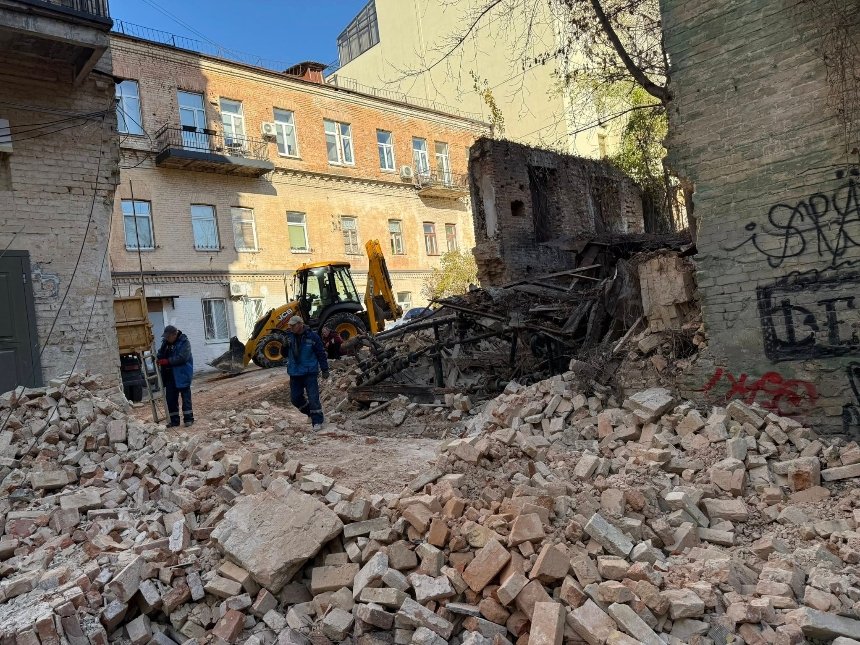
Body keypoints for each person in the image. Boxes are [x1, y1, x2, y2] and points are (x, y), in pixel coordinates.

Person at [285, 315, 329, 430]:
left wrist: (325, 369)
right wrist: (284, 346)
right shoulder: (289, 337)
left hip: (309, 372)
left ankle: (317, 421)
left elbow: (321, 353)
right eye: (290, 325)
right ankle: (310, 412)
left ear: (300, 324)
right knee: (295, 399)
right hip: (295, 372)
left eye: (293, 325)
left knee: (313, 397)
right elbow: (284, 354)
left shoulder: (312, 337)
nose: (291, 327)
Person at [156, 325, 194, 428]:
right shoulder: (166, 343)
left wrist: (167, 361)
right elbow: (160, 353)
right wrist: (158, 358)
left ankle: (188, 419)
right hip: (169, 375)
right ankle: (174, 421)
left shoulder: (184, 342)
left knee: (186, 397)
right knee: (171, 399)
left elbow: (183, 357)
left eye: (168, 337)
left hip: (182, 374)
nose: (166, 338)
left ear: (174, 334)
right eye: (165, 337)